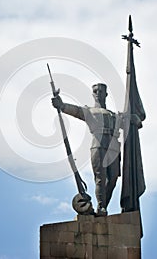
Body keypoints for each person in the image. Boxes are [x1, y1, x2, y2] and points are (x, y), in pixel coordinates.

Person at [52, 83, 122, 216]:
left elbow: (130, 121)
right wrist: (61, 105)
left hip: (113, 147)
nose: (97, 93)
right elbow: (75, 110)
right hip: (98, 145)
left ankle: (103, 205)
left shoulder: (114, 115)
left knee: (113, 178)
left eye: (100, 91)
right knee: (100, 177)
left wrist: (135, 118)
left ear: (105, 94)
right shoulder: (90, 111)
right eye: (95, 90)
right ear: (92, 93)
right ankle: (101, 207)